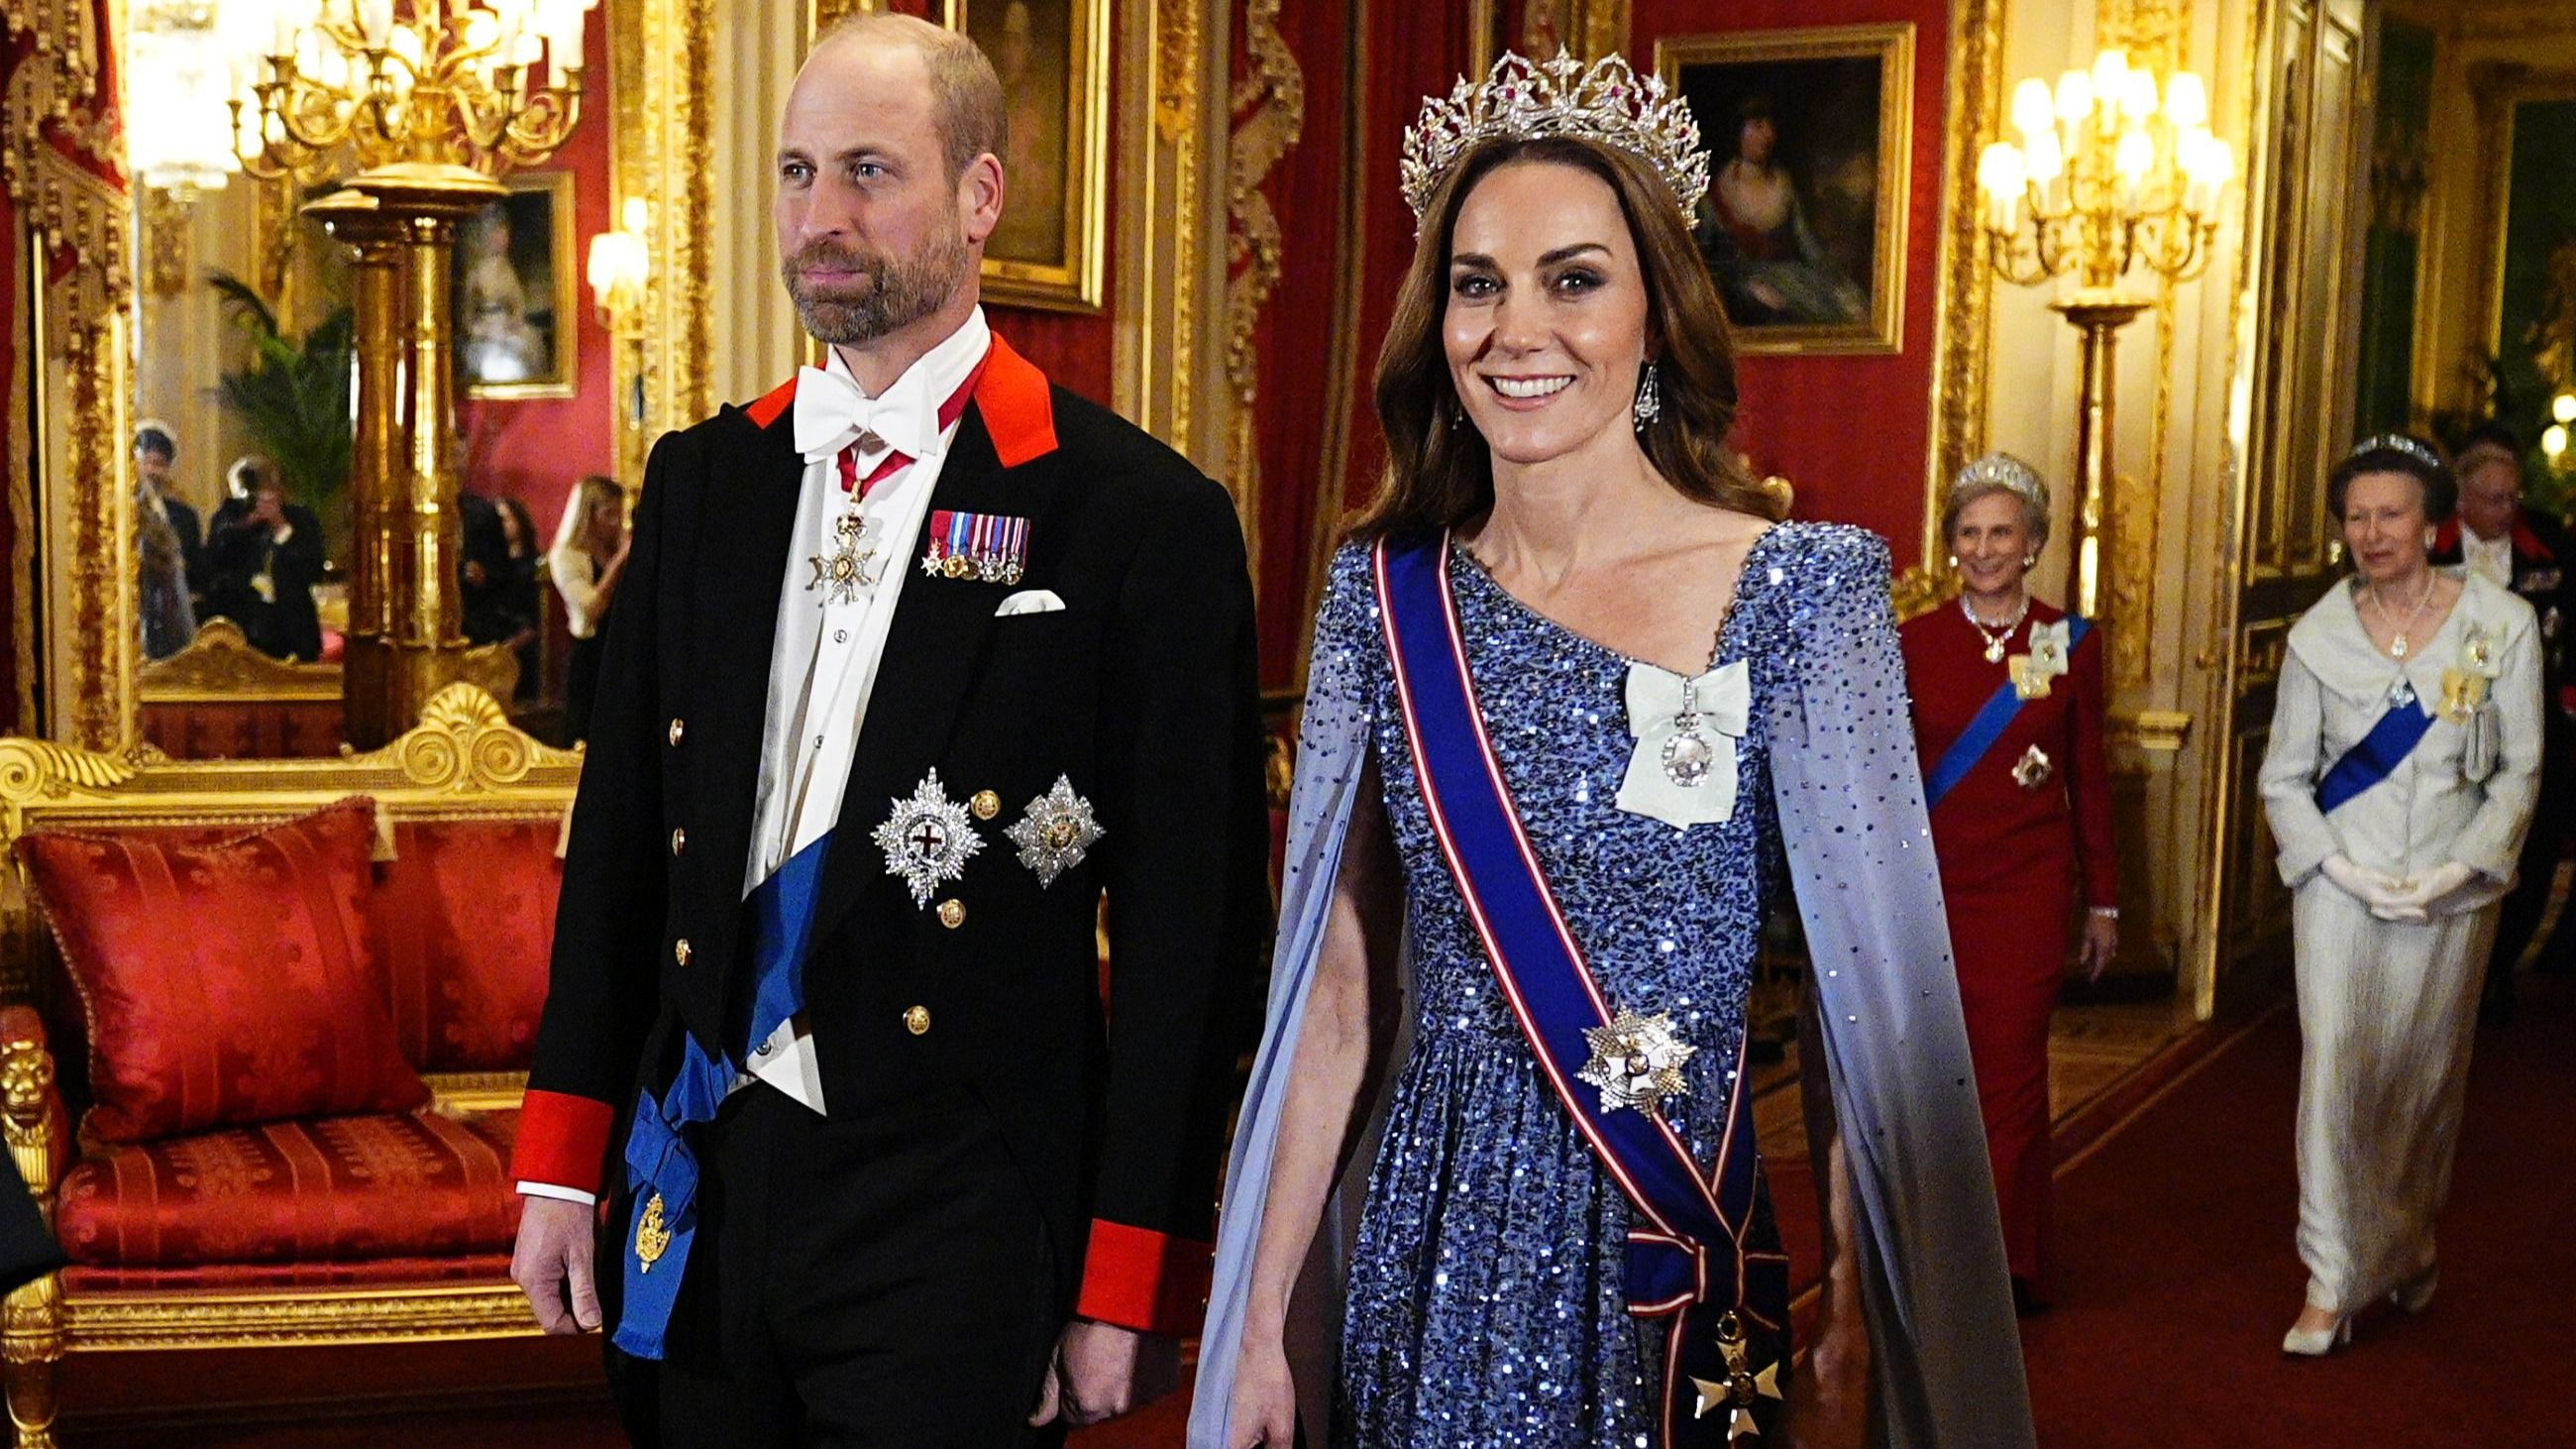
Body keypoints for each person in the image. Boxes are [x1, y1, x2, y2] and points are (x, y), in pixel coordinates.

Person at [1194, 51, 2031, 1449]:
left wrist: (1854, 1302)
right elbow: (1332, 998)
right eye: (1477, 284)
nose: (1516, 328)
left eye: (1572, 278)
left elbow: (1864, 1008)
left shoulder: (1804, 590)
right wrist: (1260, 1317)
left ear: (1657, 311)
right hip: (1432, 1245)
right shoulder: (1379, 597)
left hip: (1673, 1230)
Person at [506, 16, 1269, 1446]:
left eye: (869, 170)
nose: (822, 218)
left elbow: (1193, 940)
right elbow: (619, 843)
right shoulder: (706, 480)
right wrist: (560, 1156)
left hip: (956, 1201)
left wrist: (1127, 1277)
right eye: (798, 173)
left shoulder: (1131, 515)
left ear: (981, 197)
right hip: (703, 1166)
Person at [2258, 433, 2541, 1356]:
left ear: (2430, 524)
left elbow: (2519, 770)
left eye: (2390, 515)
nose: (2372, 533)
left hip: (2451, 892)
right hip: (2341, 885)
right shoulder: (2318, 637)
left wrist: (2461, 869)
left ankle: (2412, 1240)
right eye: (2357, 518)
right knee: (2336, 1071)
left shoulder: (2501, 625)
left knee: (2422, 1081)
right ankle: (2332, 1277)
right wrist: (2335, 868)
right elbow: (2283, 779)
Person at [1898, 454, 2117, 1315]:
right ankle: (1936, 1252)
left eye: (2002, 533)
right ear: (1951, 543)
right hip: (1934, 886)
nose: (1984, 549)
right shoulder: (1911, 641)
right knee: (1933, 1073)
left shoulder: (2070, 642)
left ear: (2033, 544)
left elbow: (2088, 776)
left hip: (2027, 889)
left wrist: (2103, 899)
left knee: (2013, 1073)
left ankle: (2007, 1259)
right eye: (1969, 532)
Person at [2430, 420, 2575, 1023]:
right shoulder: (2428, 545)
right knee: (2452, 842)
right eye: (2495, 499)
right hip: (2446, 720)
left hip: (2534, 719)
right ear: (2462, 500)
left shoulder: (2548, 542)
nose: (2508, 509)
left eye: (2514, 497)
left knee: (2530, 849)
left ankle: (2497, 968)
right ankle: (2451, 973)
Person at [1695, 94, 1863, 327]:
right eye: (1758, 126)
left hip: (1792, 281)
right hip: (1742, 293)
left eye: (1770, 126)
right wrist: (1744, 286)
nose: (1768, 135)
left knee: (1843, 308)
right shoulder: (1716, 196)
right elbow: (1702, 260)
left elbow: (1807, 245)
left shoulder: (1783, 186)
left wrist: (1836, 281)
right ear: (1739, 132)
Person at [202, 455, 326, 662]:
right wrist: (245, 525)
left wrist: (280, 526)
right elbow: (214, 563)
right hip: (243, 630)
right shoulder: (229, 518)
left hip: (292, 631)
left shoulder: (302, 520)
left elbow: (312, 568)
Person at [547, 476, 629, 743]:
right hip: (591, 655)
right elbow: (591, 608)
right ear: (589, 515)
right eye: (608, 514)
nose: (616, 522)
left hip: (624, 651)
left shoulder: (616, 548)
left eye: (619, 514)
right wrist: (618, 563)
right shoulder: (565, 556)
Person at [133, 423, 200, 661]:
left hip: (172, 618)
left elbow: (195, 568)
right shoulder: (119, 513)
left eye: (159, 464)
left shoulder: (185, 517)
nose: (152, 471)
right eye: (147, 462)